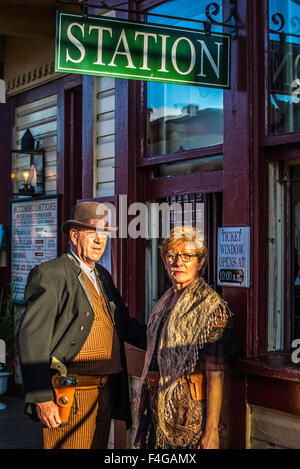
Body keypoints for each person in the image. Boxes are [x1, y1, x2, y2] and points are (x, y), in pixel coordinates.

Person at [18, 201, 146, 449]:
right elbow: (31, 339)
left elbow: (125, 326)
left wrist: (164, 337)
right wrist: (41, 397)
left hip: (104, 393)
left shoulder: (103, 276)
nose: (99, 240)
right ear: (74, 235)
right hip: (69, 396)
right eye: (92, 233)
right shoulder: (50, 274)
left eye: (103, 233)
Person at [134, 225, 234, 450]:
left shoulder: (211, 307)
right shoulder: (164, 301)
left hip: (189, 421)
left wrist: (211, 432)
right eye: (172, 255)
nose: (178, 262)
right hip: (155, 412)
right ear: (164, 260)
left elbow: (216, 374)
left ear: (199, 262)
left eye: (187, 256)